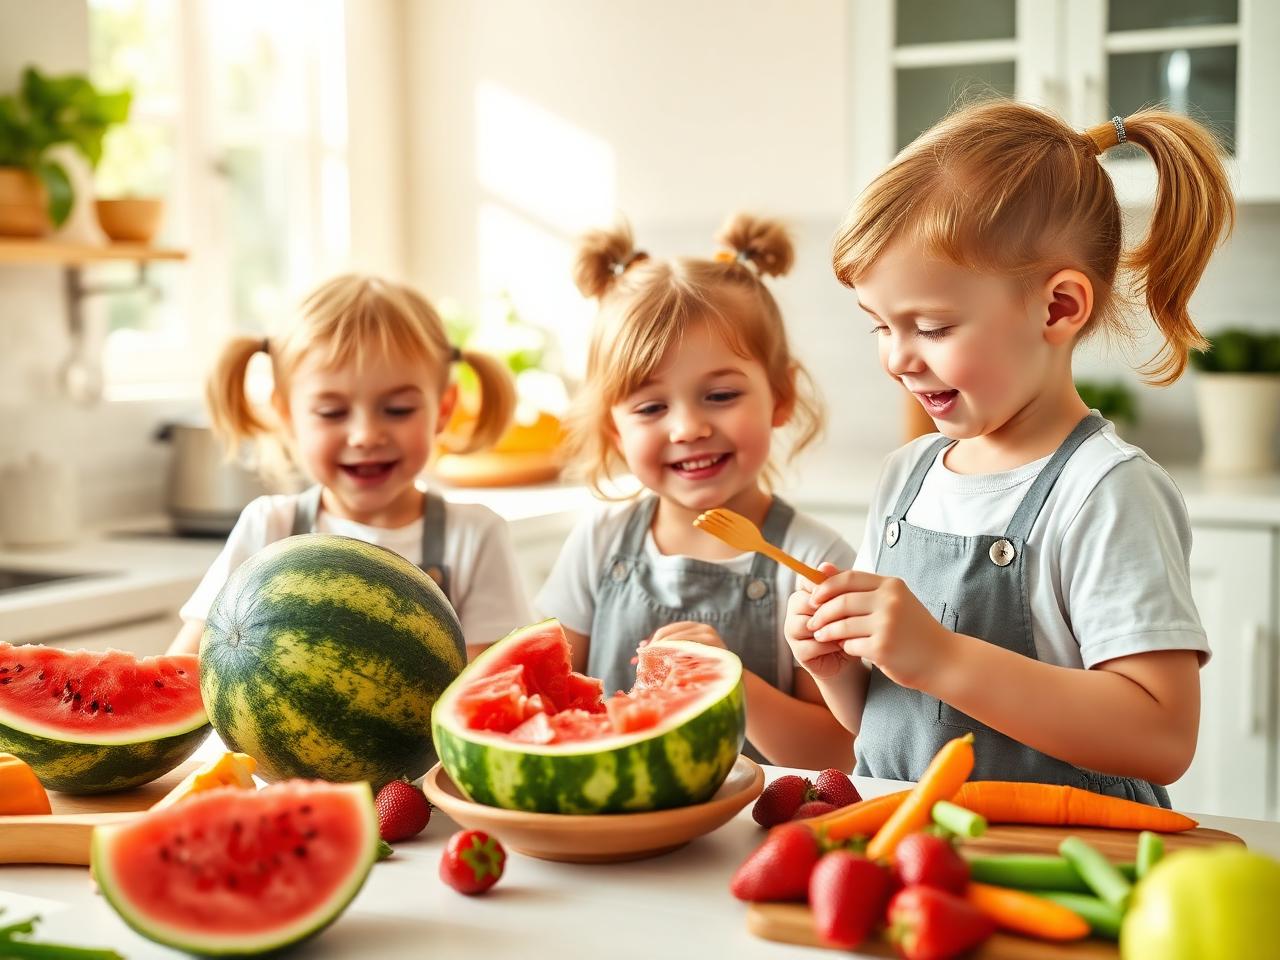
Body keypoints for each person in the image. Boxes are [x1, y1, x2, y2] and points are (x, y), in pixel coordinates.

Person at [787, 103, 1233, 804]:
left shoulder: (1106, 491)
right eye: (879, 326)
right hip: (918, 858)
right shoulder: (906, 478)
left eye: (931, 327)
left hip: (1061, 867)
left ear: (1058, 308)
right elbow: (889, 731)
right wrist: (837, 670)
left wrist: (942, 657)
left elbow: (1161, 736)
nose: (898, 359)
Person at [537, 214, 856, 769]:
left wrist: (731, 681)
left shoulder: (812, 562)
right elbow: (547, 703)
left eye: (721, 395)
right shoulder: (599, 542)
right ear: (616, 428)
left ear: (780, 396)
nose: (687, 428)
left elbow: (840, 754)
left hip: (755, 830)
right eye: (652, 407)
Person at [169, 274, 532, 658]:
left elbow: (487, 685)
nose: (365, 435)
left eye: (398, 410)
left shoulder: (474, 537)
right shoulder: (269, 529)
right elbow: (185, 668)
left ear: (442, 411)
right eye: (332, 412)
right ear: (286, 414)